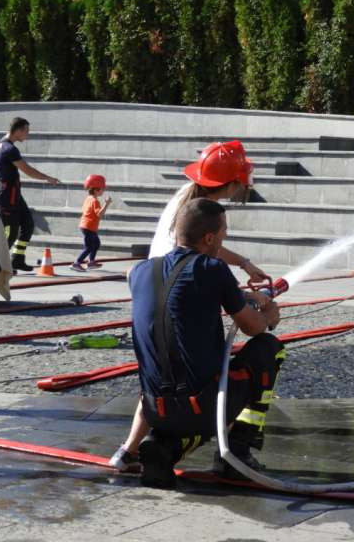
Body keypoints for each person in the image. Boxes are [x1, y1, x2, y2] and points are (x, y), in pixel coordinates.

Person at [109, 139, 271, 472]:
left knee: (162, 374)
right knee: (219, 368)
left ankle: (130, 450)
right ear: (229, 182)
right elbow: (205, 259)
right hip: (180, 302)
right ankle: (235, 450)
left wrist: (242, 265)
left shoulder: (189, 202)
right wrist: (261, 308)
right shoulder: (204, 235)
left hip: (154, 295)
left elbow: (198, 247)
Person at [130, 198, 285, 489]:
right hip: (199, 407)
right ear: (210, 237)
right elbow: (252, 328)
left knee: (182, 394)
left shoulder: (139, 271)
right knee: (268, 348)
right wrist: (269, 315)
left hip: (153, 408)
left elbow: (179, 295)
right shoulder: (212, 269)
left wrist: (240, 296)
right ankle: (237, 452)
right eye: (224, 233)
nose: (224, 239)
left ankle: (163, 448)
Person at [0, 117, 59, 272]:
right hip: (8, 195)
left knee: (27, 224)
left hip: (12, 193)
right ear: (18, 130)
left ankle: (17, 259)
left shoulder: (0, 144)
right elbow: (27, 170)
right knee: (11, 231)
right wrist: (47, 178)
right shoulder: (9, 149)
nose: (27, 135)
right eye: (26, 131)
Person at [72, 174, 112, 272]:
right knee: (89, 247)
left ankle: (91, 262)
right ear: (95, 189)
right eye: (102, 189)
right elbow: (99, 214)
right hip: (88, 226)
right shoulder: (95, 201)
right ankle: (77, 263)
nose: (103, 191)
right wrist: (106, 204)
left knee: (96, 244)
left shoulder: (88, 198)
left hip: (88, 226)